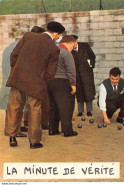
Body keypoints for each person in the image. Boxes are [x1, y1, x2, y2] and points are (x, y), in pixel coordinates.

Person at [5, 21, 65, 149]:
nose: (58, 38)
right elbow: (50, 73)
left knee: (14, 108)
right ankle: (34, 142)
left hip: (18, 79)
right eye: (59, 36)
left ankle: (12, 137)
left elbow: (13, 56)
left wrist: (17, 70)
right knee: (35, 111)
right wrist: (42, 82)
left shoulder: (28, 36)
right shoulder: (54, 49)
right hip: (36, 84)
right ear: (54, 33)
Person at [48, 35, 78, 137]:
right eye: (73, 46)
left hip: (50, 82)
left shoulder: (52, 51)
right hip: (63, 82)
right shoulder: (66, 53)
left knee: (53, 107)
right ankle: (67, 131)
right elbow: (71, 70)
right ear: (69, 43)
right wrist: (73, 84)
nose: (73, 48)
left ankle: (53, 129)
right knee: (66, 107)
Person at [71, 35, 96, 117]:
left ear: (76, 41)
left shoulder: (85, 46)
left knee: (88, 92)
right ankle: (80, 111)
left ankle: (89, 110)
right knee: (79, 93)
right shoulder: (70, 50)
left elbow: (92, 56)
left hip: (86, 73)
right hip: (77, 75)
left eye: (73, 42)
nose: (72, 44)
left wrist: (91, 65)